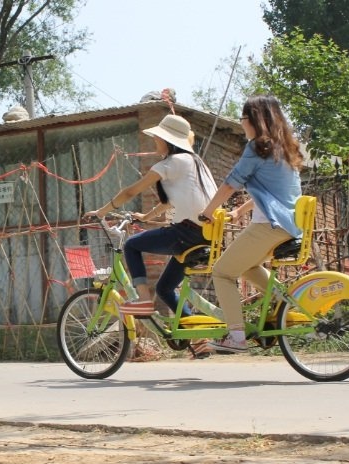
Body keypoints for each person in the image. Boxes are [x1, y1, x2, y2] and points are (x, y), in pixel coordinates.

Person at [199, 95, 305, 352]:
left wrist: (208, 211)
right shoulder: (285, 148)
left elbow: (231, 183)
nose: (241, 123)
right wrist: (239, 210)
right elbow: (273, 192)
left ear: (255, 120)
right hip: (290, 225)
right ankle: (285, 302)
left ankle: (236, 337)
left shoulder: (258, 147)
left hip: (270, 226)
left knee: (222, 272)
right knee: (246, 267)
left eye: (243, 118)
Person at [85, 114, 218, 317]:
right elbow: (170, 201)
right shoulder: (196, 162)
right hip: (206, 236)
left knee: (131, 245)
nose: (155, 140)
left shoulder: (171, 163)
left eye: (158, 137)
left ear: (168, 140)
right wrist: (147, 217)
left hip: (186, 233)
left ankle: (144, 300)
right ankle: (192, 332)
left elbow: (131, 192)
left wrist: (101, 211)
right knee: (165, 289)